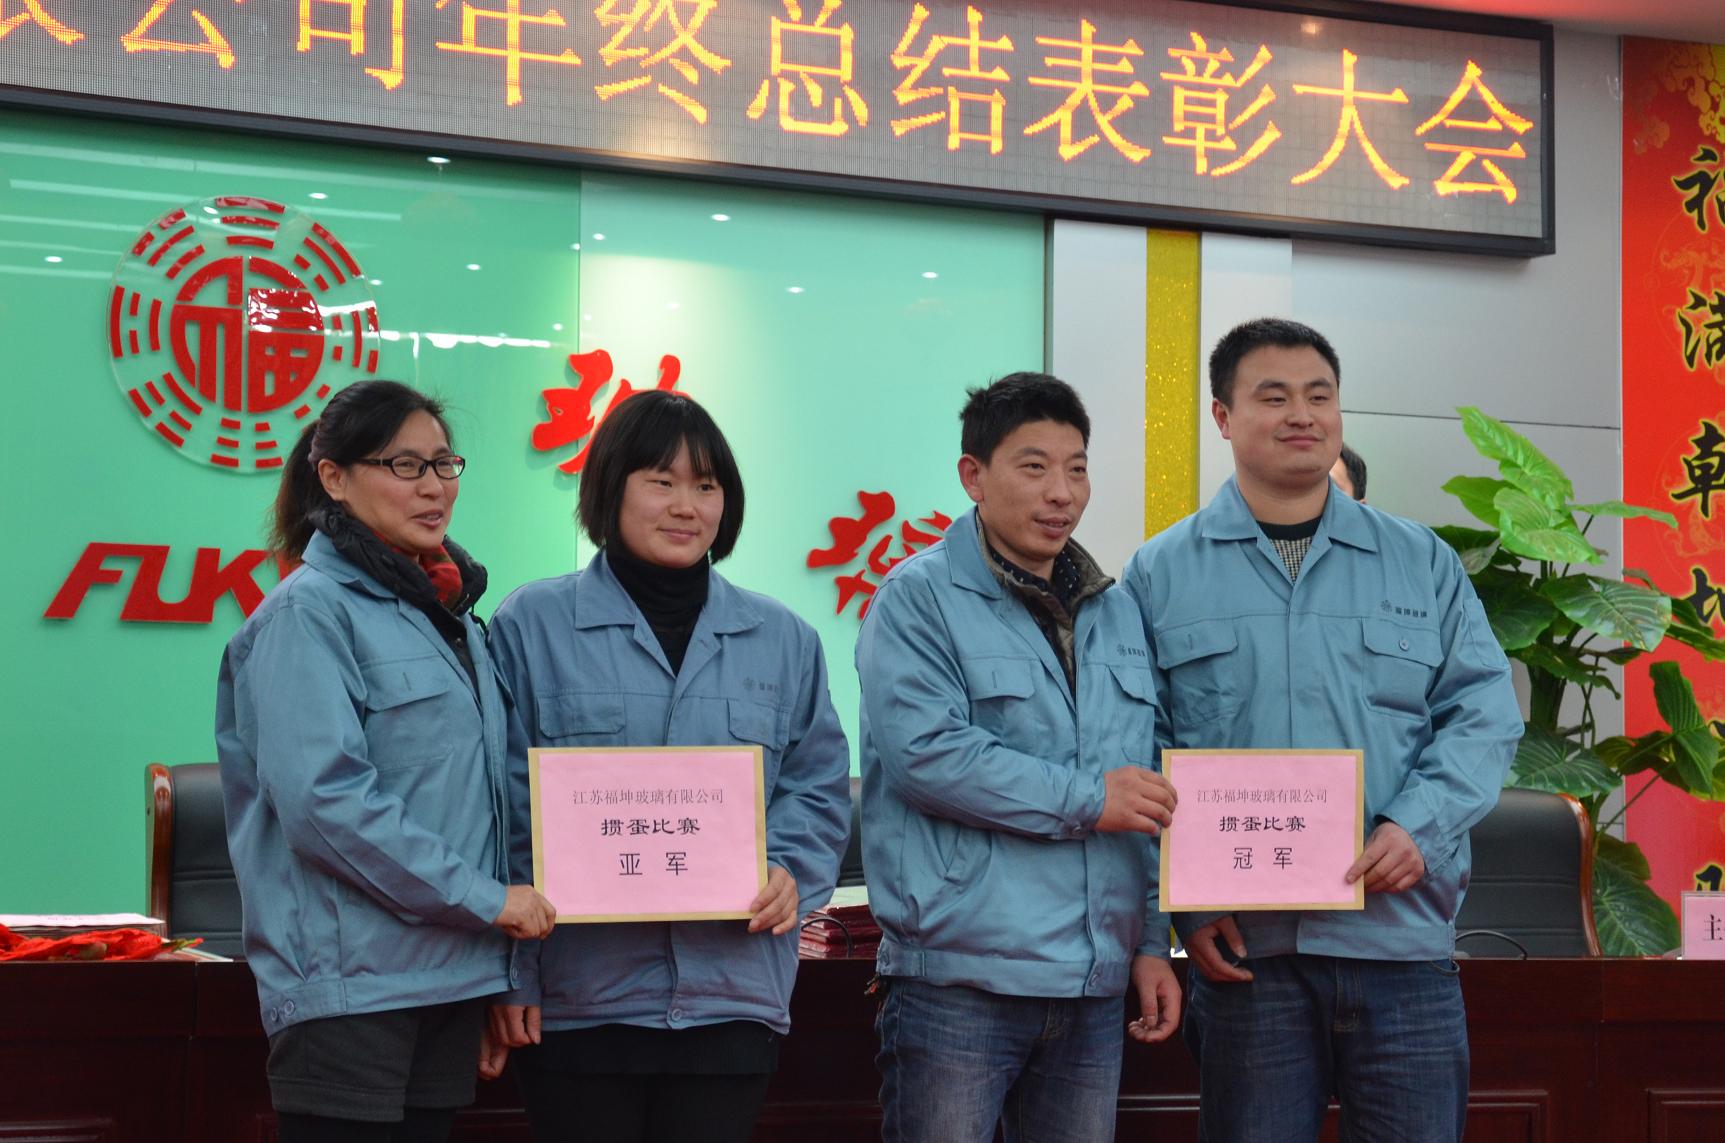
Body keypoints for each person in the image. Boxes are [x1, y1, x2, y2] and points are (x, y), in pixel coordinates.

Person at [1120, 318, 1522, 1143]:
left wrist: (1417, 824)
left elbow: (1482, 712)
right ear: (1222, 415)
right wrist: (1174, 909)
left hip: (1400, 944)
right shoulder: (1160, 572)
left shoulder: (1420, 561)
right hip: (1246, 955)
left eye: (1318, 395)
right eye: (1273, 397)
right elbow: (1131, 750)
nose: (1301, 414)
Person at [483, 390, 851, 1143]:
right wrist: (511, 972)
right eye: (661, 481)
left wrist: (789, 870)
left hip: (731, 996)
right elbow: (499, 812)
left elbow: (816, 786)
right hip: (580, 998)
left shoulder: (784, 639)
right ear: (609, 489)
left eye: (706, 486)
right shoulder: (532, 626)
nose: (686, 506)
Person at [215, 380, 557, 1143]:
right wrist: (485, 899)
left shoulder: (450, 617)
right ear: (333, 477)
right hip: (350, 990)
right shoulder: (307, 613)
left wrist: (498, 959)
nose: (433, 486)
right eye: (405, 465)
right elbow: (325, 804)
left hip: (449, 977)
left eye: (444, 463)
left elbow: (486, 798)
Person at [856, 372, 1182, 1143]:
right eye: (1033, 467)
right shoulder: (917, 599)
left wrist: (1147, 942)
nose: (1060, 492)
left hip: (1092, 983)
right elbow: (928, 755)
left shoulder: (1116, 610)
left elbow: (1145, 787)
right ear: (972, 475)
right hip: (960, 979)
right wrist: (1088, 799)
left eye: (1076, 468)